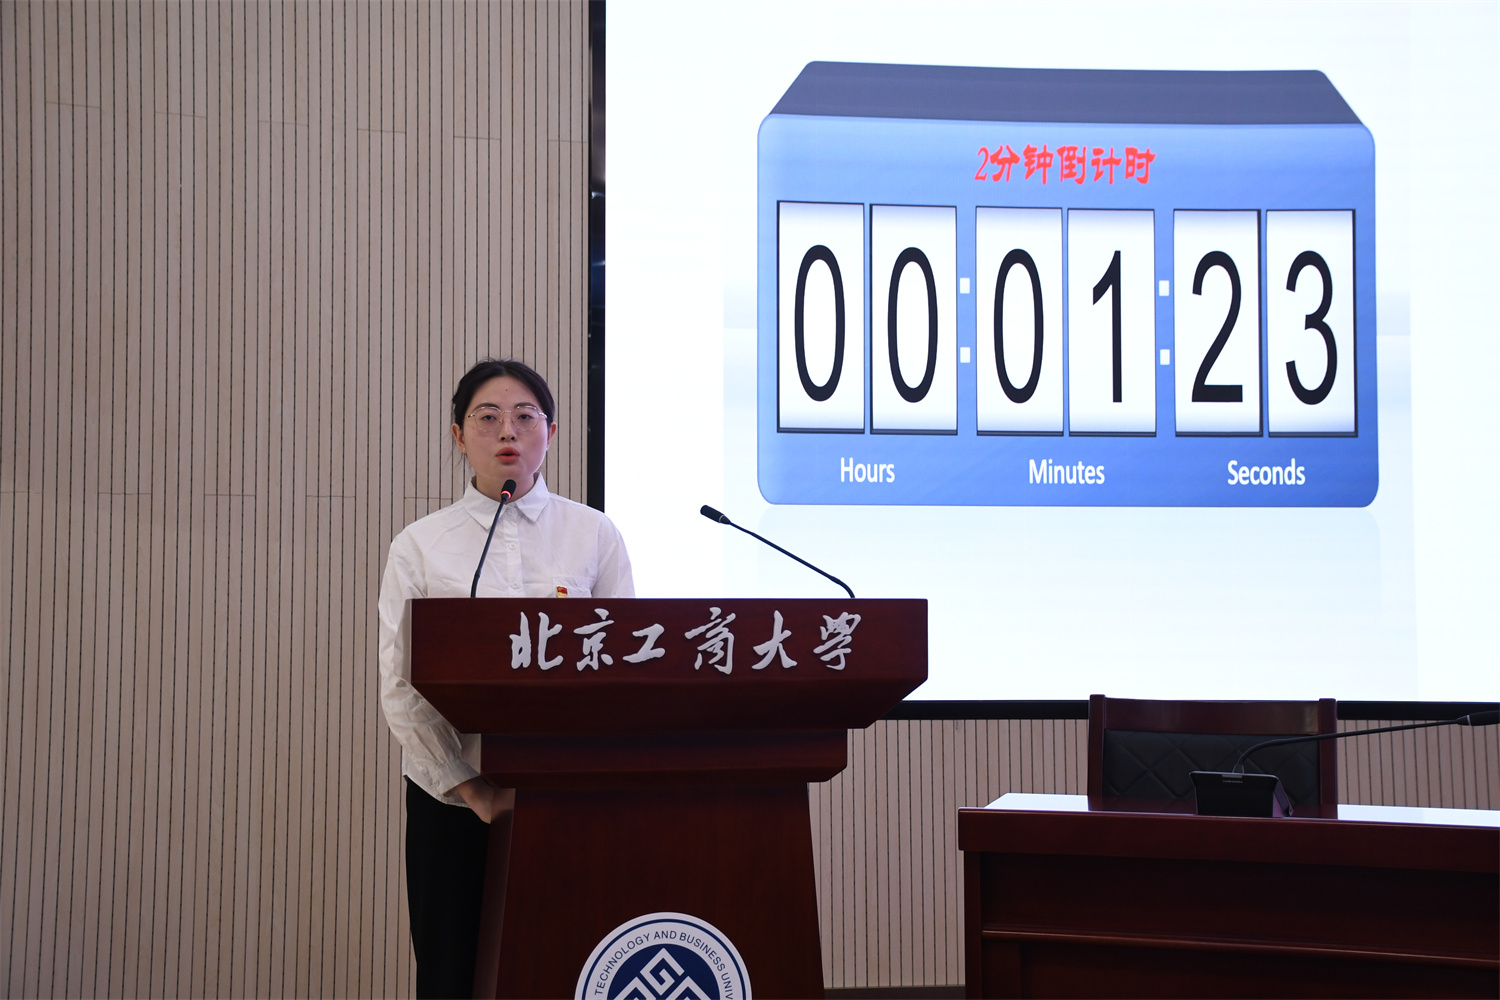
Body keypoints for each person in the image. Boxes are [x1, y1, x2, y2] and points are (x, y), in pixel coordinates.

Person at [377, 358, 633, 997]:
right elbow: (401, 683)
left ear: (552, 431)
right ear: (459, 437)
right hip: (451, 800)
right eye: (487, 418)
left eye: (525, 416)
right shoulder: (421, 545)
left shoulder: (593, 533)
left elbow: (627, 666)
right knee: (453, 975)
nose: (507, 432)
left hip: (570, 798)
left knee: (572, 966)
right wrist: (473, 791)